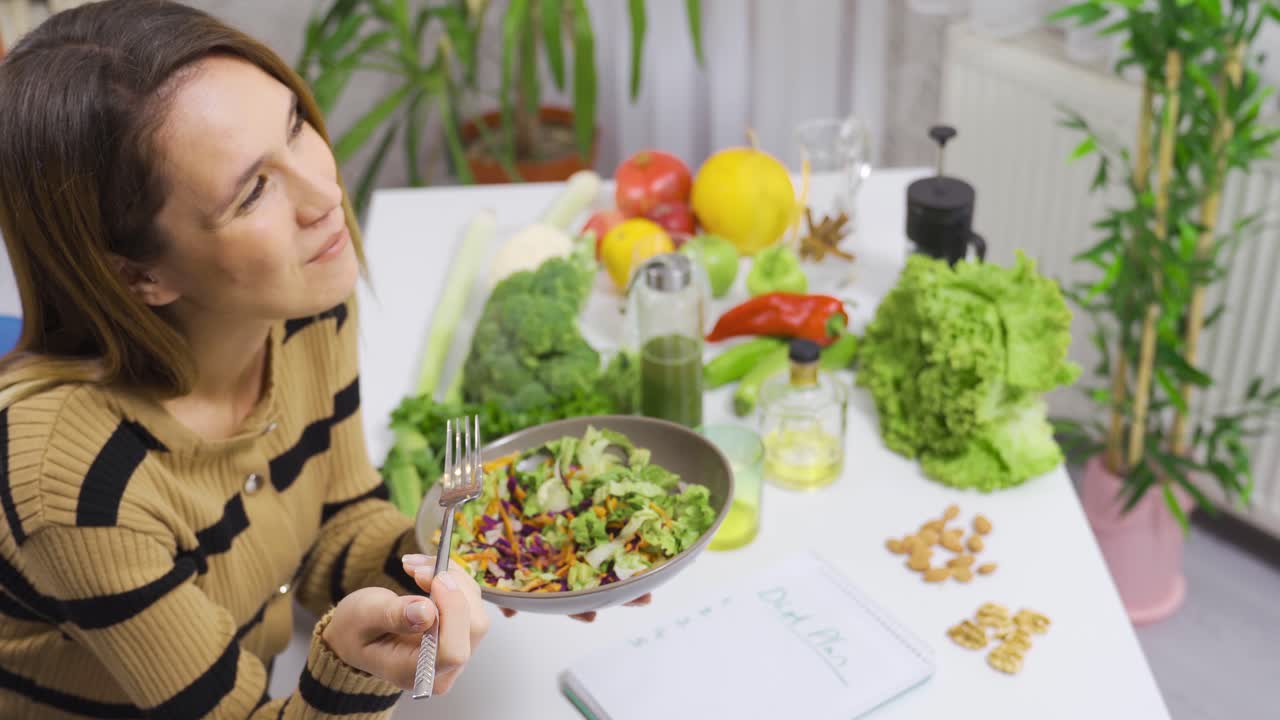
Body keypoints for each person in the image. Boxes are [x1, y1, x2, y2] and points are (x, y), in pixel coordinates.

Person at [0, 1, 509, 717]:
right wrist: (349, 668)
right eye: (253, 192)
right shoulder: (78, 490)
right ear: (139, 275)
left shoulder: (300, 300)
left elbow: (335, 522)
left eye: (296, 126)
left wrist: (478, 563)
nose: (325, 195)